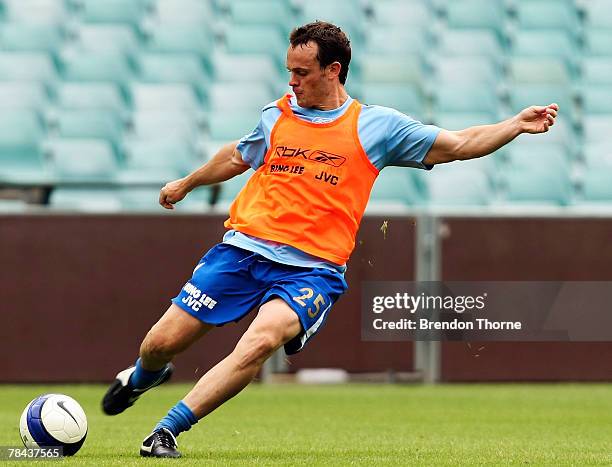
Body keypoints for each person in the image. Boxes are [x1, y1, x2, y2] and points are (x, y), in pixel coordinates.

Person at [102, 21, 559, 458]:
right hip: (242, 250)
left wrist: (514, 125)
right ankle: (145, 376)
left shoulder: (376, 126)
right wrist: (187, 182)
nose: (293, 81)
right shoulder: (277, 116)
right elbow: (238, 156)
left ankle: (167, 430)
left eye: (302, 72)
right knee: (160, 344)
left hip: (313, 268)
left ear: (332, 70)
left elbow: (459, 143)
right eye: (289, 71)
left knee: (259, 342)